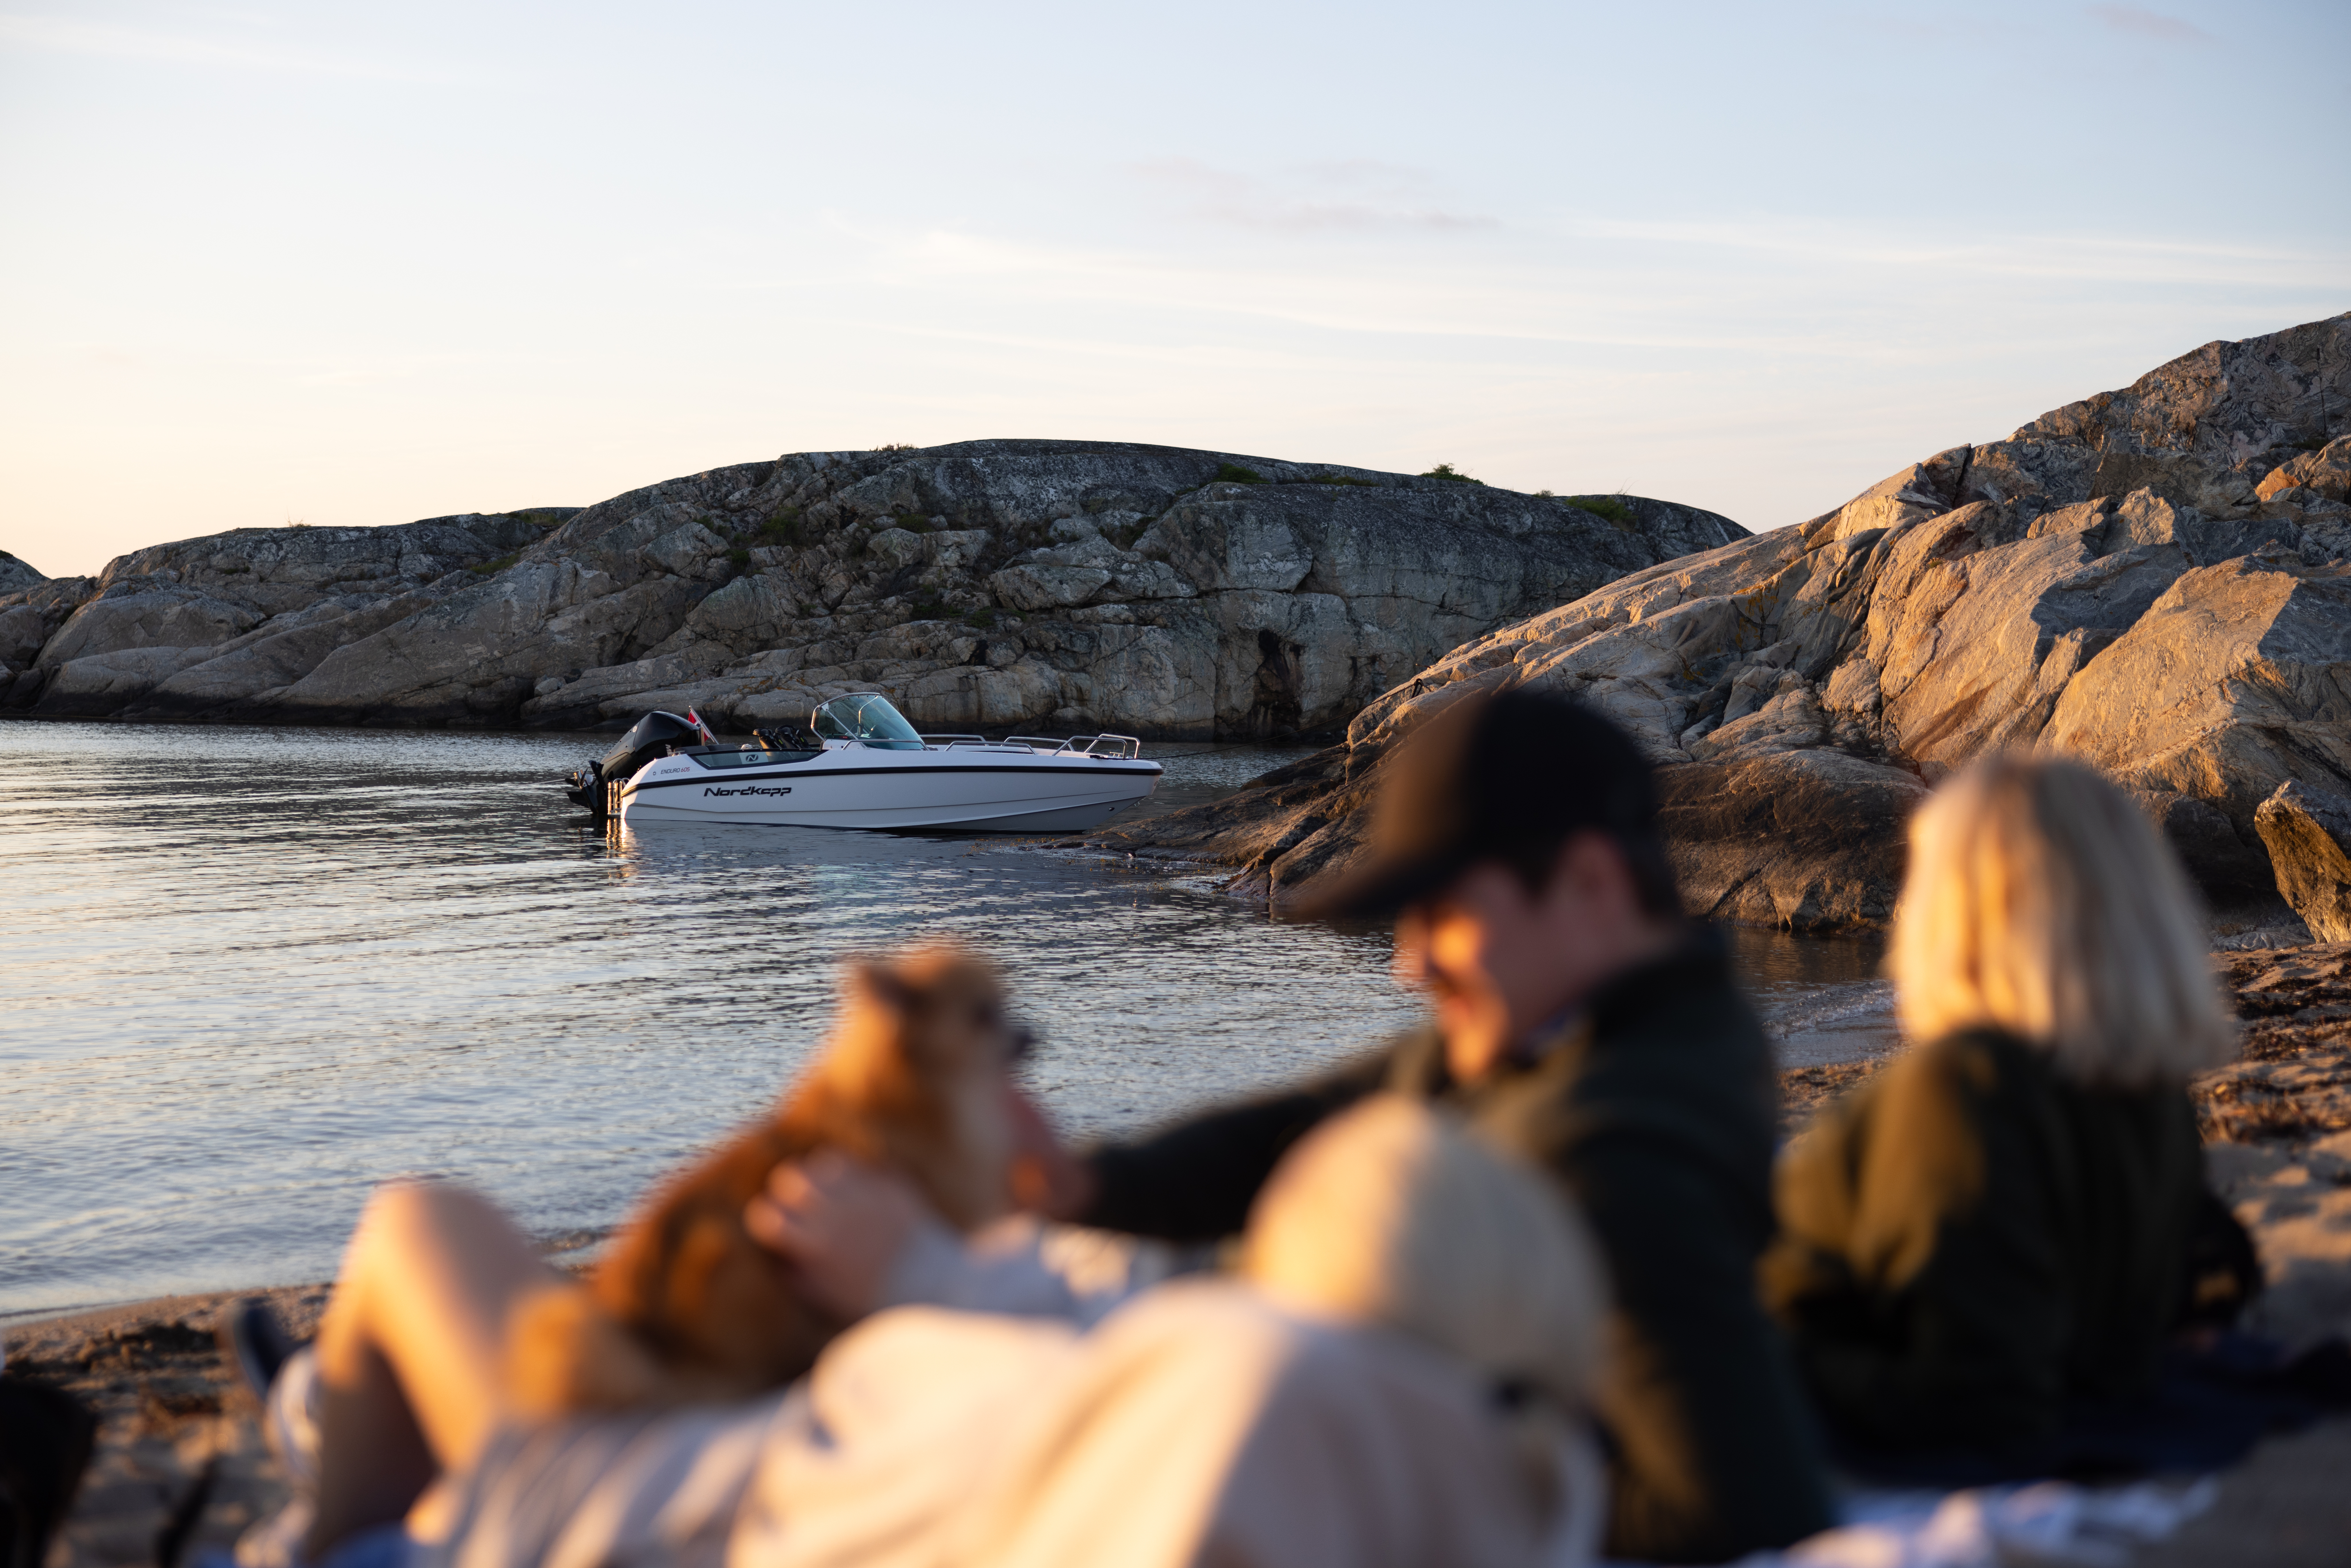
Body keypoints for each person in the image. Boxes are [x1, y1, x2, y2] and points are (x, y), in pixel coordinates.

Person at [1032, 685, 1835, 1563]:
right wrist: (1081, 1184)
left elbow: (1750, 1509)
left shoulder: (1615, 1159)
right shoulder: (1578, 1034)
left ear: (1590, 884)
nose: (1407, 966)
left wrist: (1418, 1488)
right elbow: (1309, 1124)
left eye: (1443, 914)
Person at [259, 1096, 1611, 1568]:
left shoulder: (1224, 1387)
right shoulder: (1527, 1488)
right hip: (748, 1472)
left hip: (626, 1508)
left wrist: (925, 1270)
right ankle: (317, 1423)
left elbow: (1212, 1372)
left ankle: (315, 1511)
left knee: (416, 1222)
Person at [1759, 755, 2241, 1468]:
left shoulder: (1960, 1087)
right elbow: (2214, 1268)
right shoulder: (2149, 1091)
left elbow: (1975, 1396)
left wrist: (1768, 1361)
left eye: (1922, 879)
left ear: (1964, 911)